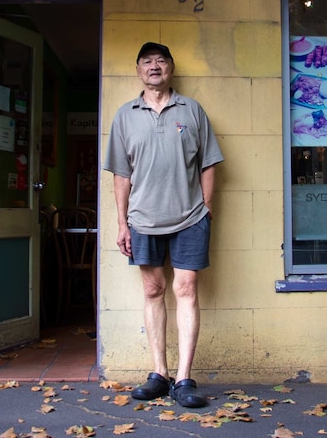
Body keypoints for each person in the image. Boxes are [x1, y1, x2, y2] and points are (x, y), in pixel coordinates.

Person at [103, 42, 224, 408]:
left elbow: (209, 164)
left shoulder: (192, 110)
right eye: (147, 62)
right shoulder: (125, 115)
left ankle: (184, 378)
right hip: (142, 219)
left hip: (190, 218)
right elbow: (121, 175)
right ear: (138, 70)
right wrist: (123, 224)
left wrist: (205, 208)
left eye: (161, 61)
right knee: (153, 290)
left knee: (185, 288)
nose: (154, 67)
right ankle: (159, 373)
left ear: (170, 67)